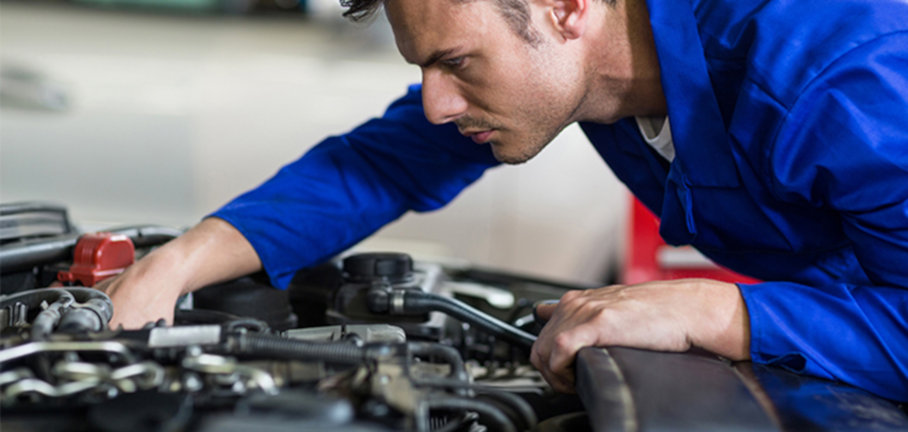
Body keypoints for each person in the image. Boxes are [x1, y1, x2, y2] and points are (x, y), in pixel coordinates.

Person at [98, 0, 908, 401]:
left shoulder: (843, 78)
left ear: (564, 8)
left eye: (456, 63)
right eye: (423, 70)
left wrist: (722, 315)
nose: (439, 104)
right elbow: (383, 164)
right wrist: (176, 267)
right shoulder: (586, 69)